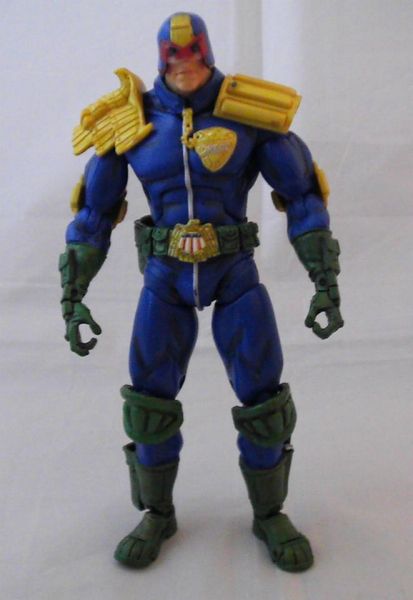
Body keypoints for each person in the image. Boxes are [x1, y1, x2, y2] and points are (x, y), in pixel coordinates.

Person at [60, 12, 343, 572]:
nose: (185, 66)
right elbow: (94, 212)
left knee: (265, 401)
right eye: (174, 58)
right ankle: (157, 513)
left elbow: (302, 195)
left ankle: (269, 514)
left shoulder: (251, 116)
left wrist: (324, 278)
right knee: (149, 404)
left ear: (208, 53)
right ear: (160, 59)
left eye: (194, 55)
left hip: (233, 273)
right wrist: (74, 293)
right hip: (164, 278)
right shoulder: (132, 122)